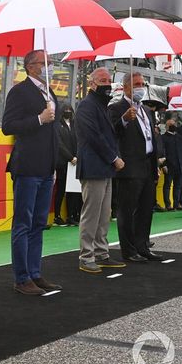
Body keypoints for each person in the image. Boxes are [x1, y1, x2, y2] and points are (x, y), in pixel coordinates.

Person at [2, 50, 63, 295]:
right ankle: (22, 276)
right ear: (30, 66)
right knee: (23, 223)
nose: (49, 66)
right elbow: (9, 126)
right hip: (27, 167)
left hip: (47, 166)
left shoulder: (50, 93)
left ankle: (35, 272)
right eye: (44, 62)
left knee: (38, 223)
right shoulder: (19, 91)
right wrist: (39, 119)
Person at [108, 72, 164, 262]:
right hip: (129, 166)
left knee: (146, 208)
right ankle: (129, 250)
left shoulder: (147, 110)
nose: (140, 88)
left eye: (142, 84)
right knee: (127, 210)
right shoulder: (117, 108)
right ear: (125, 87)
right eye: (136, 84)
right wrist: (124, 120)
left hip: (147, 165)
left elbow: (151, 138)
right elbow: (111, 133)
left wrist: (155, 163)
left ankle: (143, 246)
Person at [75, 67, 126, 274]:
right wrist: (114, 158)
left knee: (104, 214)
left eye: (108, 80)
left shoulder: (102, 105)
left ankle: (101, 252)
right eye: (102, 80)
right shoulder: (87, 106)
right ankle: (86, 256)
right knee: (91, 214)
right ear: (92, 83)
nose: (107, 84)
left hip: (104, 167)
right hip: (95, 166)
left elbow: (109, 134)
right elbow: (94, 136)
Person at [54, 102, 80, 226]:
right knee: (60, 189)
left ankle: (72, 215)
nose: (68, 112)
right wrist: (70, 157)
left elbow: (79, 140)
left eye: (70, 110)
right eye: (66, 110)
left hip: (74, 163)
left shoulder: (74, 125)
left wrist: (77, 157)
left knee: (73, 191)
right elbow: (59, 144)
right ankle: (57, 216)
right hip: (63, 162)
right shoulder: (57, 126)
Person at [161, 116, 182, 210]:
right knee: (167, 185)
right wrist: (163, 165)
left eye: (174, 124)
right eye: (171, 124)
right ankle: (168, 204)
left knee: (178, 186)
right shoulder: (163, 138)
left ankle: (177, 204)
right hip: (169, 165)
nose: (173, 126)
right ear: (166, 126)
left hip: (180, 165)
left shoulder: (180, 137)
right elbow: (162, 152)